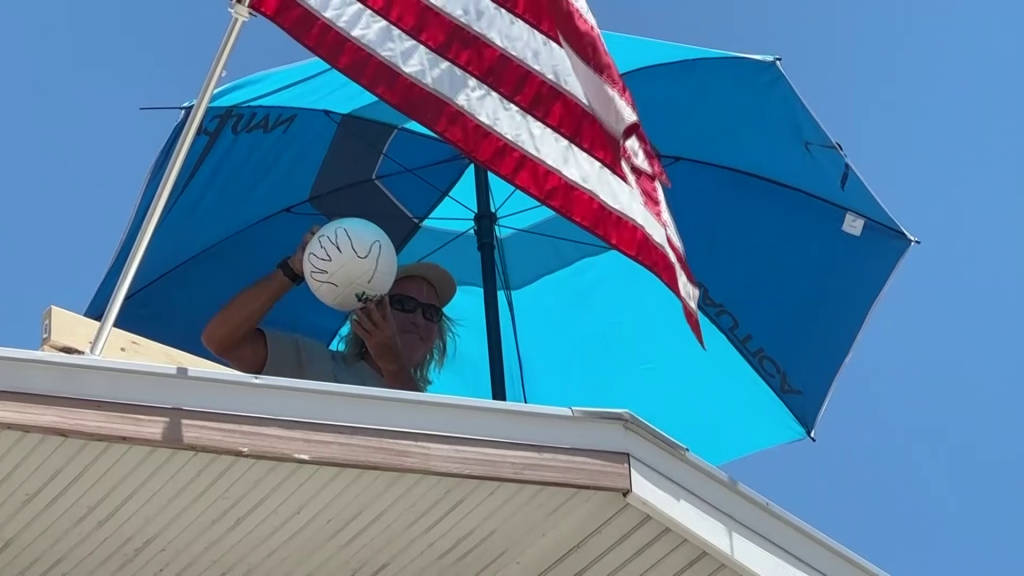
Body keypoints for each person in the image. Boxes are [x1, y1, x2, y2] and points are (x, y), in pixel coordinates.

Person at [202, 226, 457, 392]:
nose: (417, 318)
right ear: (372, 310)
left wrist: (393, 365)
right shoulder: (315, 364)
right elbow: (221, 341)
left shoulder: (438, 412)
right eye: (405, 305)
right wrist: (292, 269)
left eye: (431, 313)